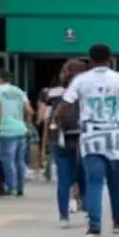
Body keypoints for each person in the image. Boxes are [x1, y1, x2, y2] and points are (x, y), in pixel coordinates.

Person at [56, 44, 119, 237]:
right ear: (110, 58)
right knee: (115, 180)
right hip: (114, 136)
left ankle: (94, 226)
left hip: (91, 136)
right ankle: (118, 220)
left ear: (90, 60)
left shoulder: (81, 80)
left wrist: (56, 121)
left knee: (94, 180)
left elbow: (65, 104)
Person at [48, 59, 89, 226]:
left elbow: (49, 118)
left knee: (63, 179)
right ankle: (89, 210)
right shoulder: (87, 92)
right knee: (84, 176)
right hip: (83, 138)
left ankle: (64, 216)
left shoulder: (53, 93)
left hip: (61, 138)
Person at [0, 69, 34, 197]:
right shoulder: (19, 91)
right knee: (19, 160)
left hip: (6, 130)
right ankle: (20, 188)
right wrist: (26, 124)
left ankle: (11, 187)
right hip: (20, 129)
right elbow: (29, 110)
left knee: (7, 160)